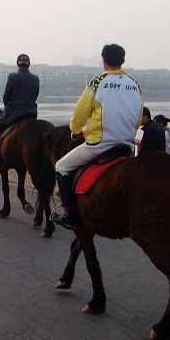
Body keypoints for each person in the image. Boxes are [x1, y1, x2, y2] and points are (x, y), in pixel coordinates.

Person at [50, 44, 143, 230]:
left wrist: (75, 129)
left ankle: (70, 214)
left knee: (61, 166)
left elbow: (80, 112)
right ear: (123, 61)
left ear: (104, 60)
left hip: (100, 144)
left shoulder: (97, 82)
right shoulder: (135, 84)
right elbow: (138, 118)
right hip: (126, 144)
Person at [0, 53, 40, 167]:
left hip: (13, 115)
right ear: (29, 64)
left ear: (17, 64)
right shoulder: (35, 78)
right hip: (31, 115)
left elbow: (6, 97)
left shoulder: (12, 77)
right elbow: (35, 96)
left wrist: (8, 106)